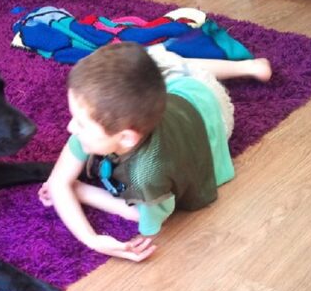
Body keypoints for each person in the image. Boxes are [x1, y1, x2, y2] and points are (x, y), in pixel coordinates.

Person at [38, 41, 271, 262]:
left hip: (208, 103)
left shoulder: (147, 174)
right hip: (176, 99)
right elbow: (57, 183)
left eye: (80, 122)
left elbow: (141, 213)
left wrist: (80, 193)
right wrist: (90, 237)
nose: (70, 127)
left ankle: (248, 66)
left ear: (126, 137)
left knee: (182, 68)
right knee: (151, 65)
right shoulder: (99, 127)